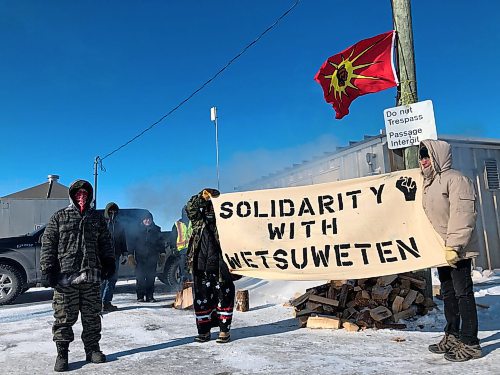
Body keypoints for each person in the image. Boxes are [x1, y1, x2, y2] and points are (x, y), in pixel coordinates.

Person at [40, 180, 115, 372]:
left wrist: (109, 262)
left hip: (91, 277)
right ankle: (62, 354)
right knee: (63, 317)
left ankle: (92, 350)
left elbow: (106, 243)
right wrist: (48, 269)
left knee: (92, 317)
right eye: (78, 193)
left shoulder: (97, 219)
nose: (82, 197)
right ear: (72, 196)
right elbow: (48, 244)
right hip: (66, 279)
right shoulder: (59, 217)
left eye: (85, 193)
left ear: (89, 196)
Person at [419, 139, 482, 362]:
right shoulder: (428, 183)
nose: (424, 160)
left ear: (438, 156)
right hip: (440, 249)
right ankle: (453, 335)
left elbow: (462, 214)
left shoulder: (456, 179)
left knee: (463, 293)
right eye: (421, 156)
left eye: (427, 155)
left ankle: (470, 342)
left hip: (458, 249)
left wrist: (454, 246)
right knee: (448, 294)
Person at [186, 188, 235, 344]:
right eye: (209, 206)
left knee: (224, 298)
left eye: (215, 207)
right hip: (201, 267)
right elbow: (190, 208)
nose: (211, 210)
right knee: (202, 300)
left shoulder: (228, 223)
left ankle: (224, 331)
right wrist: (202, 195)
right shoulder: (198, 222)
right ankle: (204, 332)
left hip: (221, 267)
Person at [128, 211, 164, 302]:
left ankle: (150, 296)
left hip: (152, 258)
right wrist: (130, 255)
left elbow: (161, 243)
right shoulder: (136, 231)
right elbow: (131, 244)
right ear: (142, 220)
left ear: (152, 220)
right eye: (145, 219)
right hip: (140, 258)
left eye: (149, 219)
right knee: (140, 278)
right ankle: (140, 296)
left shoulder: (156, 230)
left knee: (150, 278)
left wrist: (162, 254)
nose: (147, 221)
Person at [100, 202, 128, 312]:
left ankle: (106, 302)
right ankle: (98, 303)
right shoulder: (101, 223)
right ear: (107, 212)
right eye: (110, 211)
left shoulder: (119, 225)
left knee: (112, 279)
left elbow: (123, 240)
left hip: (115, 256)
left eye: (114, 211)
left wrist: (125, 253)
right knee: (103, 280)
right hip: (103, 256)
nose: (112, 213)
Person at [171, 206, 192, 285]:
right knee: (183, 269)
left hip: (193, 250)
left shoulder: (193, 222)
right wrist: (174, 248)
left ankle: (192, 285)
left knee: (192, 269)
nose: (186, 214)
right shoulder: (177, 224)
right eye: (185, 212)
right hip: (182, 251)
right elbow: (173, 237)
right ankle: (183, 285)